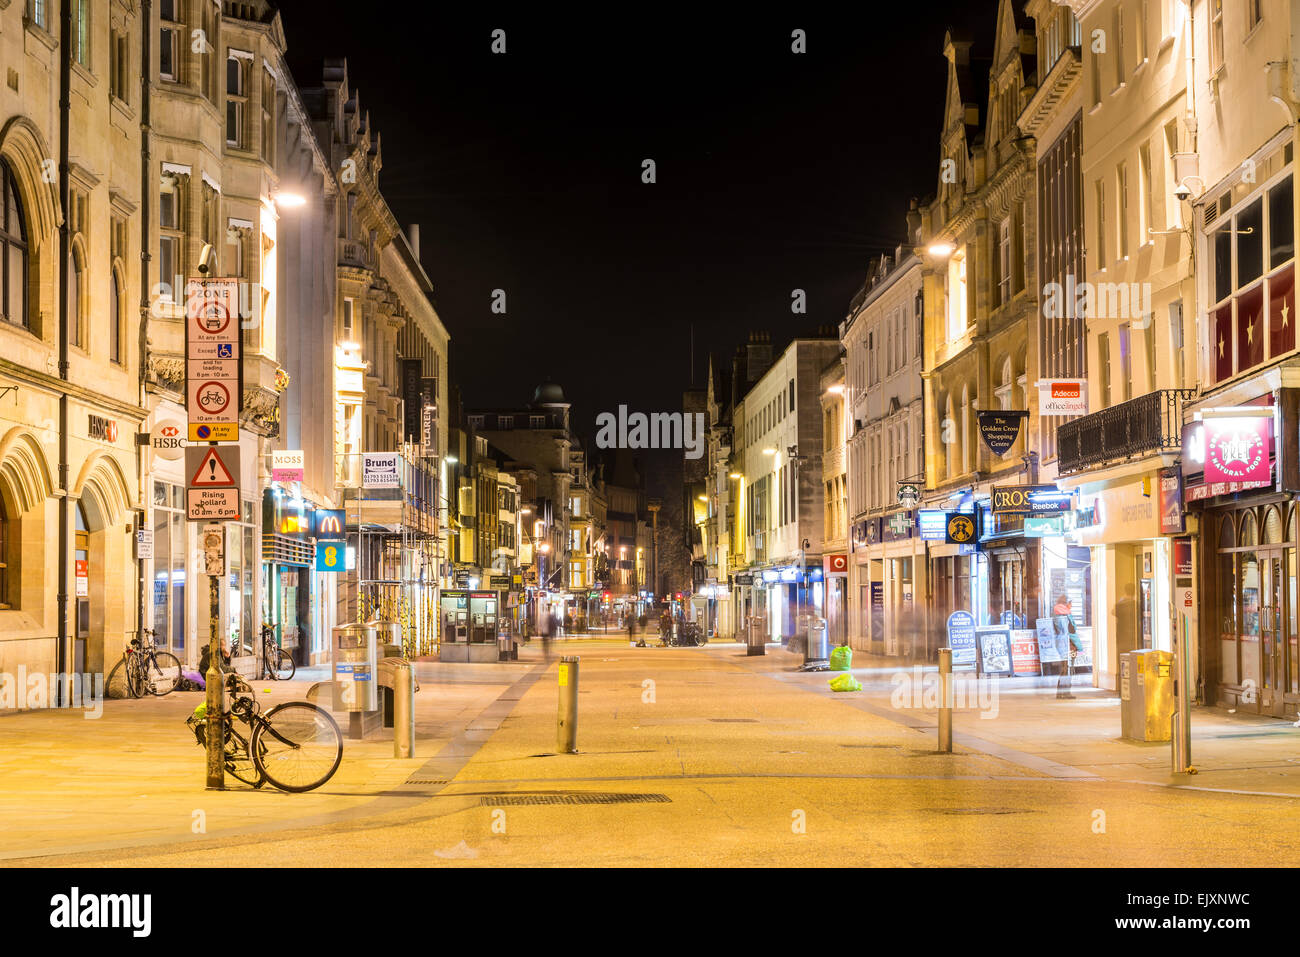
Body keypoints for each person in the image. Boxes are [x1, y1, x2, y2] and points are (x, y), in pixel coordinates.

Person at [1053, 595, 1082, 699]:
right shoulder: (1066, 616)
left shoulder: (1056, 615)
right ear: (1066, 603)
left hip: (1061, 646)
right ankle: (1065, 693)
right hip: (1070, 646)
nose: (1071, 606)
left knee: (1064, 669)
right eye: (1070, 603)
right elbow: (1072, 632)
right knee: (1068, 670)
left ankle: (1060, 692)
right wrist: (1079, 646)